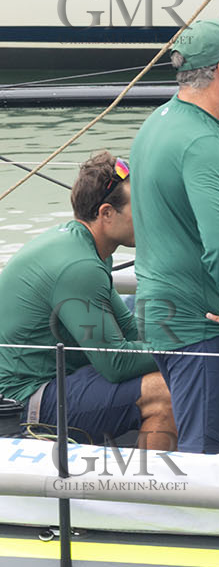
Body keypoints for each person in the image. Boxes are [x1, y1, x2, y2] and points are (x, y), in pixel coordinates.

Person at [132, 20, 219, 453]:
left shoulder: (156, 123)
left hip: (159, 313)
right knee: (207, 449)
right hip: (203, 323)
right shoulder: (201, 141)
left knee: (194, 432)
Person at [0, 153, 173, 448]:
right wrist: (190, 350)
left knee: (149, 319)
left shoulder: (82, 244)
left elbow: (129, 331)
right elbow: (116, 363)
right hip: (23, 399)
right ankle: (149, 490)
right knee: (165, 392)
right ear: (106, 213)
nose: (151, 215)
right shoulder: (80, 268)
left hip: (54, 375)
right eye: (141, 207)